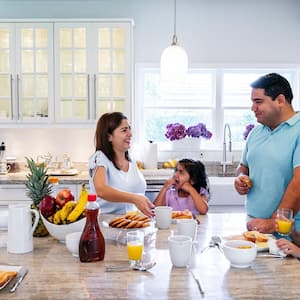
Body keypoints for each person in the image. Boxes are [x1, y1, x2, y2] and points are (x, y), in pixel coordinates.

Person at [234, 73, 300, 233]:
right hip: (255, 226)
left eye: (258, 102)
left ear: (280, 100)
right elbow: (244, 166)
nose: (252, 108)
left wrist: (274, 222)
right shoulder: (255, 133)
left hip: (291, 232)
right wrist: (240, 178)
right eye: (252, 102)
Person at [88, 112, 155, 217]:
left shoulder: (131, 160)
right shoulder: (99, 158)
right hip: (106, 223)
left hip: (132, 223)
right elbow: (101, 189)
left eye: (129, 129)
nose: (130, 134)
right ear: (109, 136)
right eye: (124, 130)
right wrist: (135, 198)